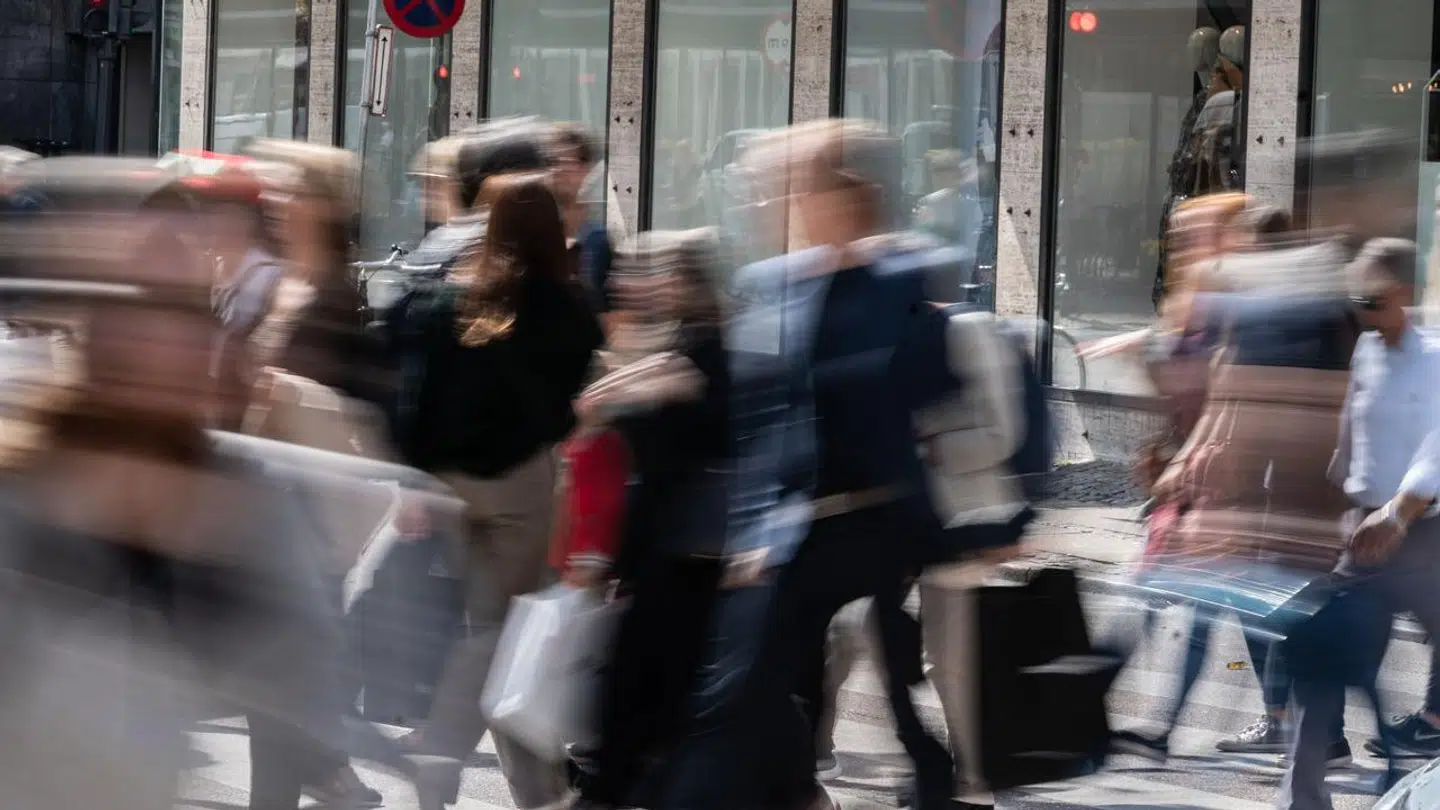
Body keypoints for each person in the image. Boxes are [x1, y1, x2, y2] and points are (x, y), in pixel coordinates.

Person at [657, 120, 1008, 810]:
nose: (763, 203)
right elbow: (759, 419)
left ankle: (927, 783)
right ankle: (806, 792)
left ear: (841, 193)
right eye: (758, 189)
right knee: (749, 696)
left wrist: (991, 515)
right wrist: (751, 525)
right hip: (792, 532)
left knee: (896, 690)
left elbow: (940, 394)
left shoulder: (901, 278)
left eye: (781, 187)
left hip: (880, 522)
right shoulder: (769, 284)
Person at [0, 165, 343, 810]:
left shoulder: (241, 503)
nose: (169, 342)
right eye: (135, 307)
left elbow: (304, 668)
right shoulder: (23, 496)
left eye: (187, 311)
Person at [393, 170, 604, 810]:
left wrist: (418, 480)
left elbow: (413, 399)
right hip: (522, 487)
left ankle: (535, 791)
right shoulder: (562, 306)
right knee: (500, 636)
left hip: (454, 491)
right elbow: (573, 407)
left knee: (500, 630)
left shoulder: (448, 297)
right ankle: (441, 755)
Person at [568, 228, 732, 810]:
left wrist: (632, 394)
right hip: (661, 552)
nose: (627, 283)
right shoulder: (675, 343)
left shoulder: (714, 348)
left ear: (682, 279)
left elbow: (703, 436)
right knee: (648, 708)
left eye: (645, 272)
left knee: (644, 706)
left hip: (694, 557)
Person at [1276, 238, 1440, 810]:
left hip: (1425, 537)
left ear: (1405, 293)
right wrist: (1334, 503)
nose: (1363, 315)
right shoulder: (1367, 350)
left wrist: (1398, 511)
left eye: (1372, 301)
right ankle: (1303, 799)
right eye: (1356, 303)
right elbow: (1351, 434)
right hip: (1365, 540)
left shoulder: (1438, 357)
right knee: (1321, 661)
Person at [549, 122, 615, 317]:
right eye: (553, 160)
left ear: (587, 168)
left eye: (571, 161)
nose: (560, 169)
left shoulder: (599, 239)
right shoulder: (535, 228)